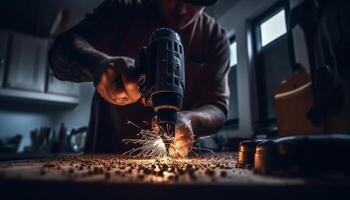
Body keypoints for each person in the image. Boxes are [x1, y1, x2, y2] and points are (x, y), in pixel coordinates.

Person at [49, 0, 230, 157]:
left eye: (193, 0)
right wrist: (97, 64)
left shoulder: (214, 38)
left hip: (179, 166)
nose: (181, 8)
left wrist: (191, 119)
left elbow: (218, 109)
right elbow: (60, 51)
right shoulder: (124, 9)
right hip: (103, 165)